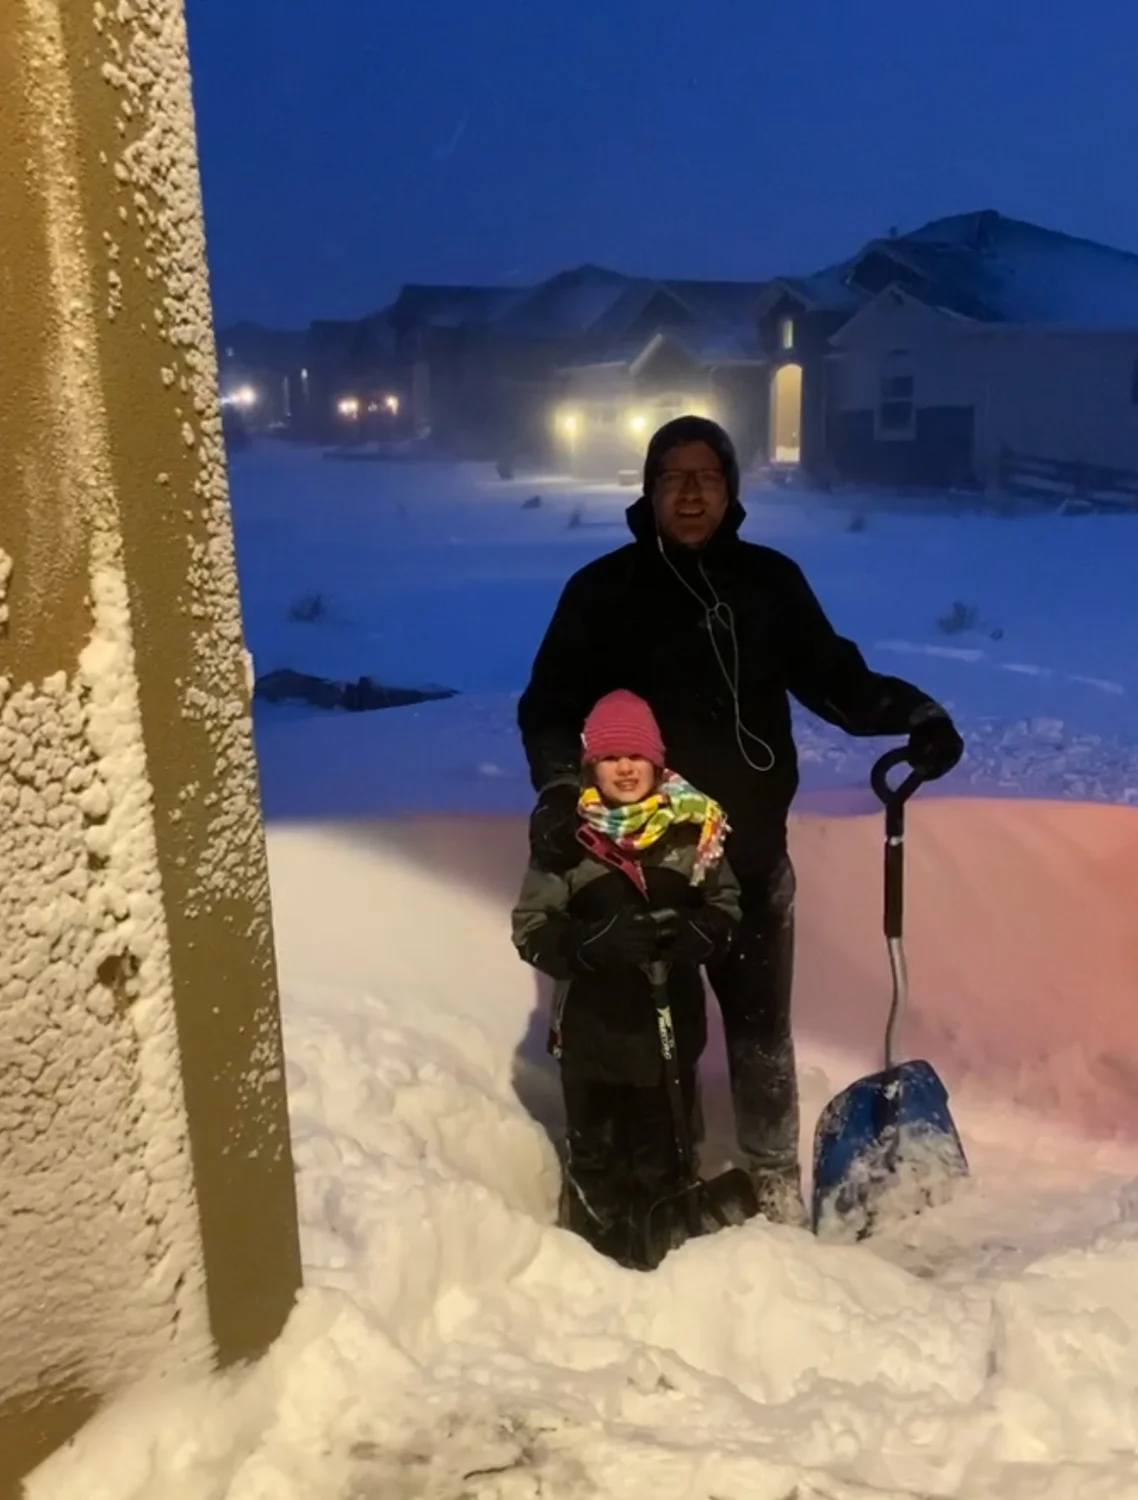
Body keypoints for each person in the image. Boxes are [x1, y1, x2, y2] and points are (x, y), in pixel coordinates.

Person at [516, 415, 964, 1227]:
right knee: (666, 1038)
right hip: (648, 876)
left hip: (752, 862)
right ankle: (669, 1176)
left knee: (762, 1037)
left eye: (708, 476)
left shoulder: (769, 582)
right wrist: (556, 792)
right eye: (673, 477)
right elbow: (548, 707)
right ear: (648, 491)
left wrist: (917, 714)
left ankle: (770, 1183)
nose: (691, 492)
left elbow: (836, 679)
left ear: (732, 490)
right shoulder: (603, 591)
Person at [511, 689, 741, 1269]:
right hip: (592, 1037)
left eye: (636, 757)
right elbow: (532, 928)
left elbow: (728, 905)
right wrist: (589, 946)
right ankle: (599, 1259)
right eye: (611, 758)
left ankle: (666, 1254)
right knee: (598, 1154)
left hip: (670, 1031)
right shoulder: (567, 840)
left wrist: (701, 931)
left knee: (665, 1148)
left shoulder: (693, 829)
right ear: (592, 766)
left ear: (657, 763)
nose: (625, 768)